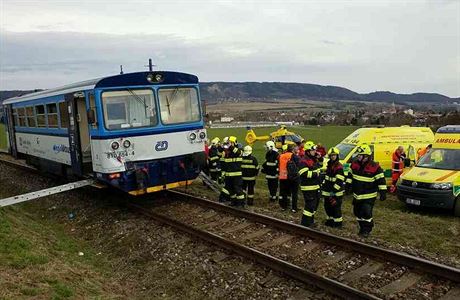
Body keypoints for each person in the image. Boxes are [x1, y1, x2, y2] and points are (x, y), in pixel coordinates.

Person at [346, 144, 386, 237]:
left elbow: (381, 180)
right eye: (358, 155)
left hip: (369, 195)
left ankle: (367, 230)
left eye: (360, 155)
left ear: (366, 156)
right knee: (357, 212)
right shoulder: (354, 164)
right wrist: (347, 186)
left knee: (366, 212)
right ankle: (362, 228)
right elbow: (350, 176)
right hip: (357, 195)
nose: (358, 157)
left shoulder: (375, 167)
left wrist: (383, 193)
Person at [299, 141, 322, 227]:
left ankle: (310, 222)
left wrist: (320, 159)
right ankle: (305, 224)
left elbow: (319, 166)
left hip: (315, 186)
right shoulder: (304, 161)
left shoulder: (312, 159)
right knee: (310, 206)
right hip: (308, 187)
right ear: (308, 151)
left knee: (314, 206)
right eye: (313, 150)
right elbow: (303, 173)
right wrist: (316, 174)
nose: (315, 152)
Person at [321, 147, 345, 228]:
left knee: (336, 208)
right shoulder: (329, 164)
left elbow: (339, 180)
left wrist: (334, 191)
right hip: (328, 190)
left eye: (334, 155)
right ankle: (330, 221)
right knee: (327, 206)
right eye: (331, 155)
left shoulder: (339, 166)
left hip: (336, 192)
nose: (333, 157)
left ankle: (338, 224)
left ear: (337, 156)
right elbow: (327, 178)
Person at [218, 136, 245, 206]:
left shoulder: (239, 149)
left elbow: (239, 153)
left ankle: (241, 203)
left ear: (235, 143)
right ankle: (233, 202)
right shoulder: (227, 152)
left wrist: (231, 147)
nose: (230, 144)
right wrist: (221, 145)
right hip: (228, 175)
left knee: (238, 189)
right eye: (229, 143)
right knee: (231, 190)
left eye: (231, 143)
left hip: (237, 175)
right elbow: (220, 151)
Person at [278, 144, 300, 212]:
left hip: (282, 176)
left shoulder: (281, 156)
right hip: (292, 177)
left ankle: (284, 206)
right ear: (292, 149)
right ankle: (294, 208)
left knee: (284, 192)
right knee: (294, 193)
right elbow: (298, 165)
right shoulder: (294, 156)